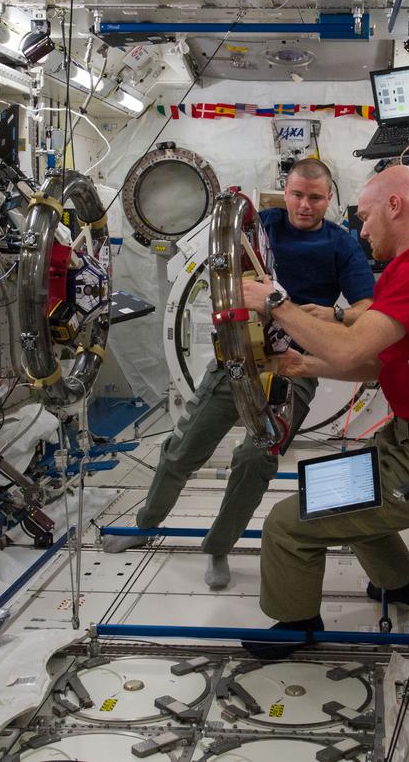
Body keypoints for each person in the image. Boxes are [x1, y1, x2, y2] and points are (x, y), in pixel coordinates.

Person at [241, 164, 409, 651]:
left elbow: (351, 349)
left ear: (394, 207)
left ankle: (298, 625)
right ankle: (396, 583)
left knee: (288, 524)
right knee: (345, 486)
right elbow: (377, 362)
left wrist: (276, 304)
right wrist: (304, 365)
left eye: (366, 216)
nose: (361, 228)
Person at [102, 158, 375, 590]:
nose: (305, 205)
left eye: (316, 197)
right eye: (298, 195)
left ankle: (218, 546)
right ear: (285, 191)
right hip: (236, 356)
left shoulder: (341, 244)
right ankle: (145, 523)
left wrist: (335, 313)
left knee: (256, 458)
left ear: (329, 199)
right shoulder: (261, 227)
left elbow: (367, 308)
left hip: (294, 366)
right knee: (182, 449)